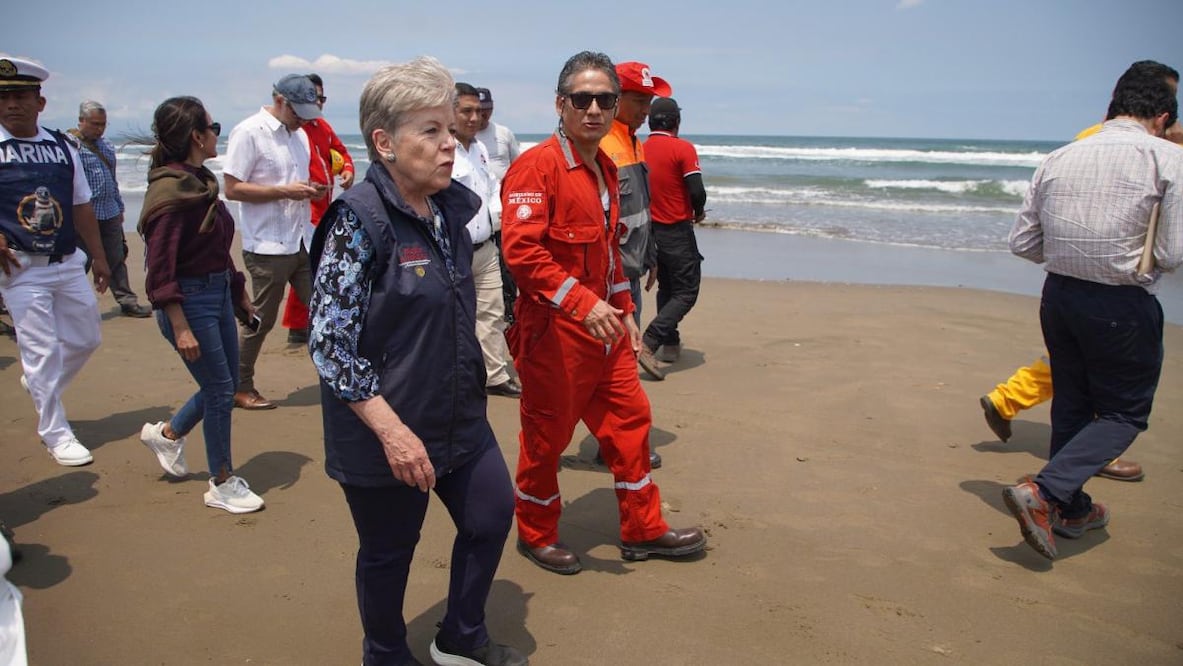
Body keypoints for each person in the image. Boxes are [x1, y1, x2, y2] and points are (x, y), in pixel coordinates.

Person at [308, 57, 526, 666]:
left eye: (449, 129)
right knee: (389, 550)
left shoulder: (450, 208)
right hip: (388, 431)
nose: (449, 143)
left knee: (490, 517)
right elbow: (330, 344)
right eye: (430, 131)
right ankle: (384, 653)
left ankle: (459, 636)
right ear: (384, 143)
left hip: (458, 414)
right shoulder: (360, 221)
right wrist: (393, 433)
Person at [500, 50, 706, 576]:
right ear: (561, 104)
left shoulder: (607, 169)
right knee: (547, 438)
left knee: (631, 424)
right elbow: (522, 253)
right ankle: (537, 533)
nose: (594, 109)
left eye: (604, 100)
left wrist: (624, 308)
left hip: (606, 329)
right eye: (582, 99)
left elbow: (610, 252)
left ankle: (643, 528)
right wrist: (579, 302)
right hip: (553, 334)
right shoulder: (536, 167)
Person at [1002, 70, 1181, 560]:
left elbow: (1022, 242)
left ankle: (1071, 507)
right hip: (1120, 302)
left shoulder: (1061, 156)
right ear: (1163, 118)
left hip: (1058, 297)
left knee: (1073, 404)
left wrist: (1074, 255)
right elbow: (1171, 252)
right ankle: (1045, 491)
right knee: (1124, 413)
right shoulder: (1167, 157)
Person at [135, 96, 264, 514]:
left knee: (220, 386)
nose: (216, 134)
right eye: (214, 127)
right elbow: (159, 268)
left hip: (215, 293)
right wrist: (180, 324)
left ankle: (169, 436)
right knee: (221, 389)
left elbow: (216, 249)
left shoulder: (199, 182)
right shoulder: (171, 193)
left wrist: (238, 294)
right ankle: (222, 482)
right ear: (196, 136)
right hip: (187, 303)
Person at [0, 56, 110, 467]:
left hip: (66, 261)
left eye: (21, 96)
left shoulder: (62, 147)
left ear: (40, 102)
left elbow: (81, 205)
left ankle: (40, 383)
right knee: (41, 350)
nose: (12, 104)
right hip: (19, 267)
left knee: (86, 339)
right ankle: (56, 433)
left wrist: (99, 257)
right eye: (4, 97)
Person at [222, 74, 324, 410]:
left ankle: (341, 378)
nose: (303, 120)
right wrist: (285, 191)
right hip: (266, 245)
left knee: (326, 309)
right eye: (299, 112)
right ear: (280, 100)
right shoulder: (249, 132)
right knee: (260, 319)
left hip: (300, 241)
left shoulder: (300, 137)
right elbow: (233, 188)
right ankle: (239, 385)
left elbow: (292, 182)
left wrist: (310, 190)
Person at [600, 60, 669, 380]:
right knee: (610, 358)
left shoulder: (634, 141)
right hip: (607, 279)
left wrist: (651, 254)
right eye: (639, 100)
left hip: (632, 268)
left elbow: (641, 210)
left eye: (649, 102)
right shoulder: (599, 142)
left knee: (627, 348)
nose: (647, 110)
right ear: (615, 96)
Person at [453, 82, 520, 398]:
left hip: (487, 246)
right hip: (453, 249)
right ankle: (455, 378)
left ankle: (494, 376)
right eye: (466, 111)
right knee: (452, 317)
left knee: (493, 313)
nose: (474, 117)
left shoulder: (479, 149)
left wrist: (498, 218)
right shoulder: (440, 149)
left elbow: (493, 189)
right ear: (449, 111)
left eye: (478, 111)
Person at [280, 72, 355, 345]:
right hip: (302, 213)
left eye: (321, 99)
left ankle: (304, 325)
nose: (319, 104)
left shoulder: (322, 126)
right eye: (314, 99)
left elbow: (342, 152)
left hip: (324, 208)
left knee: (316, 269)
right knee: (309, 269)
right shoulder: (292, 131)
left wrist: (347, 170)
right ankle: (299, 327)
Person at [67, 100, 152, 318]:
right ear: (81, 121)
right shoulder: (69, 147)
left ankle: (127, 301)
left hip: (109, 211)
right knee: (80, 260)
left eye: (103, 124)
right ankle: (69, 304)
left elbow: (112, 180)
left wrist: (120, 206)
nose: (99, 128)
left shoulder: (106, 146)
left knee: (116, 257)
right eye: (95, 124)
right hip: (83, 216)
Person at [641, 97, 706, 366]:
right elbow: (696, 190)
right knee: (687, 290)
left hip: (648, 231)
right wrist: (698, 211)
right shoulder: (683, 149)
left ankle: (669, 342)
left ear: (649, 121)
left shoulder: (639, 149)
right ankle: (650, 341)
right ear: (676, 123)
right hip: (675, 231)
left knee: (667, 286)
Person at [475, 87, 521, 323]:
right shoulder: (464, 136)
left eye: (487, 110)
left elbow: (519, 167)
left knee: (508, 267)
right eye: (479, 110)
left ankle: (510, 317)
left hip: (503, 216)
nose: (482, 116)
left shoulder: (503, 134)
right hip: (475, 220)